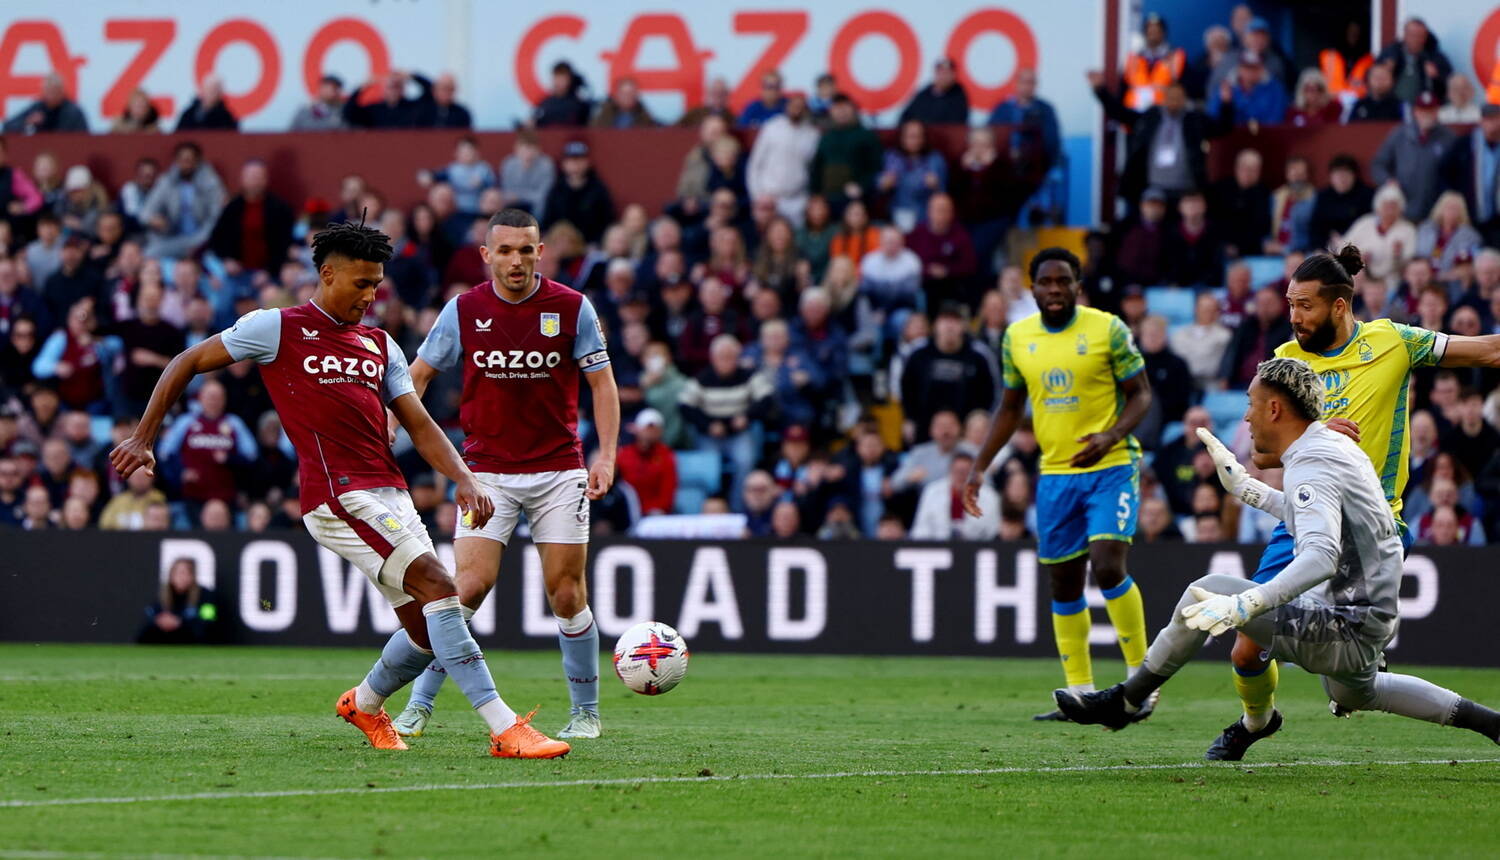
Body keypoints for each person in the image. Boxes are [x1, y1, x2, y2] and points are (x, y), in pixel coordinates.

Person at [109, 220, 568, 759]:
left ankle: (365, 704)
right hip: (336, 495)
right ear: (327, 274)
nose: (370, 296)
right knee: (442, 586)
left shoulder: (380, 344)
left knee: (426, 629)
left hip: (389, 492)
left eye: (377, 285)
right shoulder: (276, 327)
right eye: (360, 283)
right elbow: (187, 361)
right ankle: (504, 728)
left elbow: (419, 425)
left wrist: (463, 477)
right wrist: (144, 436)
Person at [1057, 358, 1500, 761]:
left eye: (1251, 404)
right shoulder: (1330, 447)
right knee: (1360, 691)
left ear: (1274, 410)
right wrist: (1251, 491)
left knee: (1205, 592)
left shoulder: (1310, 463)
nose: (1246, 416)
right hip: (1369, 618)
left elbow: (1322, 555)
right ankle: (1492, 723)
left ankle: (1128, 700)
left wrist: (1245, 605)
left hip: (1344, 623)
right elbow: (1329, 521)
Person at [1204, 245, 1500, 760]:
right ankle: (1256, 721)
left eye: (1305, 306)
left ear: (1340, 306)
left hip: (1370, 528)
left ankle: (1367, 663)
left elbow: (1488, 351)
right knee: (1246, 644)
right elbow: (1264, 455)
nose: (1294, 316)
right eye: (1290, 304)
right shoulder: (1283, 363)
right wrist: (1313, 434)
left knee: (1348, 687)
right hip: (1302, 515)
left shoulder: (1393, 342)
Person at [390, 208, 619, 741]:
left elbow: (602, 385)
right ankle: (419, 705)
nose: (516, 260)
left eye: (526, 250)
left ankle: (585, 712)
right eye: (506, 250)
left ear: (541, 253)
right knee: (462, 590)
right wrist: (388, 427)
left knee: (566, 594)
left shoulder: (571, 307)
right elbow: (417, 376)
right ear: (486, 255)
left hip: (559, 469)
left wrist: (605, 455)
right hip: (485, 473)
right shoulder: (464, 309)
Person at [964, 248, 1154, 720]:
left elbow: (1142, 394)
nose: (1054, 290)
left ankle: (1144, 682)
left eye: (1063, 281)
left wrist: (1111, 434)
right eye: (1045, 282)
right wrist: (979, 465)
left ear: (1077, 285)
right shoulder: (1017, 337)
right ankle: (1080, 694)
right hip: (1055, 475)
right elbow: (1010, 409)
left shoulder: (1107, 329)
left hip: (1111, 465)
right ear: (1031, 288)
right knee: (1064, 583)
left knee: (1107, 565)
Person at [1088, 73, 1232, 207]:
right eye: (1170, 97)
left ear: (1184, 99)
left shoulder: (1195, 121)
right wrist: (1101, 91)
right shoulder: (1151, 117)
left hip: (1187, 192)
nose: (1174, 101)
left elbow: (1222, 129)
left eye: (1178, 97)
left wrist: (1226, 103)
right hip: (1152, 191)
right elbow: (1121, 114)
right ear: (1163, 98)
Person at [1373, 92, 1454, 223]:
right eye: (1423, 110)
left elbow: (1456, 172)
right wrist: (1388, 181)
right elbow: (1378, 164)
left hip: (1436, 212)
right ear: (1415, 112)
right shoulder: (1399, 134)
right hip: (1403, 210)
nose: (1427, 115)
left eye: (1431, 110)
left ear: (1437, 112)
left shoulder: (1448, 137)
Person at [207, 160, 295, 278]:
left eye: (258, 177)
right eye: (251, 177)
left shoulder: (279, 209)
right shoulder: (232, 208)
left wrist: (269, 271)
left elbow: (285, 245)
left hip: (269, 274)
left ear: (265, 180)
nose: (255, 182)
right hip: (236, 272)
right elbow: (217, 239)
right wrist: (227, 260)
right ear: (243, 180)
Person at [138, 141, 226, 259]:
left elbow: (217, 217)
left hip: (203, 239)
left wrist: (200, 240)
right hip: (172, 238)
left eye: (189, 160)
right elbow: (145, 212)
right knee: (148, 254)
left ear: (198, 161)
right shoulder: (167, 181)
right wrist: (153, 219)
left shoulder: (211, 182)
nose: (185, 164)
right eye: (181, 160)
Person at [746, 94, 819, 224]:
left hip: (797, 199)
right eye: (794, 106)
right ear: (787, 107)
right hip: (769, 198)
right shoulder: (772, 127)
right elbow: (755, 164)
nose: (797, 110)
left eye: (800, 107)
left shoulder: (812, 135)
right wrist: (757, 195)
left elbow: (812, 168)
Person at [1438, 105, 1500, 249]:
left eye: (1497, 119)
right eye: (1489, 119)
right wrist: (1453, 201)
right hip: (1468, 216)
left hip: (1497, 219)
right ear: (1481, 121)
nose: (1493, 124)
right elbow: (1444, 173)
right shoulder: (1465, 144)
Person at [809, 94, 882, 207]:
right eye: (837, 108)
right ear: (831, 111)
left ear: (853, 110)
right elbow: (817, 167)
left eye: (845, 108)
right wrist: (815, 194)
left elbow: (876, 168)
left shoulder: (867, 136)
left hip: (856, 202)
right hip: (827, 201)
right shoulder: (826, 137)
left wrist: (862, 186)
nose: (841, 112)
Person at [1344, 184, 1417, 291]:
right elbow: (1344, 246)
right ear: (1378, 207)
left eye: (1393, 206)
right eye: (1386, 206)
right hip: (1362, 276)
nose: (1389, 210)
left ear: (1400, 209)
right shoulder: (1365, 223)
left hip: (1392, 280)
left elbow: (1410, 260)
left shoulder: (1408, 229)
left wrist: (1398, 255)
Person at [911, 451, 999, 540]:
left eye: (965, 472)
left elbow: (993, 531)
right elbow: (921, 529)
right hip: (937, 548)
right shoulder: (932, 492)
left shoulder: (989, 496)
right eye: (957, 471)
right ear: (950, 471)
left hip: (975, 547)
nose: (961, 476)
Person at [879, 120, 947, 233]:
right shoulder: (891, 157)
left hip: (926, 217)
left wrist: (936, 186)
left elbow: (944, 193)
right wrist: (884, 183)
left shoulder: (935, 159)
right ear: (902, 138)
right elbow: (877, 187)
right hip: (897, 214)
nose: (914, 141)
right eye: (910, 136)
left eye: (918, 136)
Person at [987, 67, 1061, 170]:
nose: (1027, 86)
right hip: (1004, 162)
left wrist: (1025, 153)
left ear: (1036, 85)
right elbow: (990, 135)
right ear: (1015, 83)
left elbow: (1051, 141)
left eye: (1031, 82)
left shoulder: (1045, 110)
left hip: (1034, 164)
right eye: (1023, 81)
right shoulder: (1002, 109)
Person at [542, 141, 615, 244]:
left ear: (587, 163)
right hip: (560, 245)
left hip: (590, 246)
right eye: (571, 161)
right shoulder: (556, 190)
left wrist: (597, 243)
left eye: (579, 160)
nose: (575, 165)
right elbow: (547, 221)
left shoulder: (598, 190)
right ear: (564, 164)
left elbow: (607, 221)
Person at [1209, 148, 1271, 260]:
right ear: (1236, 168)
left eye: (1253, 170)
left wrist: (1241, 248)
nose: (1248, 173)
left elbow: (1262, 227)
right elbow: (1212, 223)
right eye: (1245, 168)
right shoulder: (1219, 189)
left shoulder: (1264, 193)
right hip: (1220, 248)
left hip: (1252, 250)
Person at [1376, 17, 1453, 103]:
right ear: (1404, 35)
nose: (1415, 39)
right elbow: (1371, 79)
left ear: (1425, 37)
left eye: (1420, 36)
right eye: (1412, 35)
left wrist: (1436, 76)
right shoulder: (1391, 53)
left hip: (1425, 108)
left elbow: (1450, 83)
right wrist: (1385, 72)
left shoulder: (1435, 58)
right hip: (1393, 108)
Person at [617, 408, 676, 516]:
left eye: (654, 429)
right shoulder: (624, 454)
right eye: (647, 428)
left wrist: (651, 509)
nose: (650, 433)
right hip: (625, 511)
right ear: (637, 429)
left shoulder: (666, 455)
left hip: (654, 511)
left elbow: (667, 490)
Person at [1307, 154, 1373, 250]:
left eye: (1346, 174)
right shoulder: (1323, 196)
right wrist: (1320, 247)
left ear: (1354, 176)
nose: (1342, 179)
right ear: (1331, 177)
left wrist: (1346, 241)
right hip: (1327, 247)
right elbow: (1315, 227)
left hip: (1358, 247)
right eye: (1338, 175)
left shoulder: (1367, 195)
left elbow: (1368, 226)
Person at [1171, 292, 1232, 390]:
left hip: (1210, 382)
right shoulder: (1179, 334)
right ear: (1196, 309)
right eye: (1203, 308)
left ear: (1217, 311)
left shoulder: (1224, 335)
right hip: (1182, 381)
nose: (1207, 311)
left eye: (1210, 309)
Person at [1207, 52, 1286, 126]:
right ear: (1239, 69)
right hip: (1233, 136)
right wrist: (1226, 103)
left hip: (1266, 136)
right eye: (1246, 68)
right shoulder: (1225, 87)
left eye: (1254, 68)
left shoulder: (1275, 88)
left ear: (1262, 68)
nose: (1250, 72)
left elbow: (1276, 118)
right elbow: (1213, 117)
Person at [343, 69, 433, 129]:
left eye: (397, 86)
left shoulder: (412, 107)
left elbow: (431, 93)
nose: (394, 91)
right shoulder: (374, 110)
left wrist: (411, 75)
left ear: (403, 89)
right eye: (391, 87)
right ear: (384, 89)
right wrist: (363, 87)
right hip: (380, 152)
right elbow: (349, 113)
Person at [3, 73, 88, 133]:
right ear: (43, 91)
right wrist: (27, 122)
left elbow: (83, 138)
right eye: (48, 91)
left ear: (62, 91)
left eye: (55, 91)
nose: (51, 95)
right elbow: (8, 126)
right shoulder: (37, 108)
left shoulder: (74, 112)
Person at [1267, 155, 1315, 254]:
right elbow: (1264, 227)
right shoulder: (1276, 197)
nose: (1297, 178)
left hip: (1302, 255)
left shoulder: (1314, 199)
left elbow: (1313, 236)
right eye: (1294, 173)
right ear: (1287, 175)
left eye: (1301, 174)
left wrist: (1285, 249)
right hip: (1273, 255)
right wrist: (1267, 244)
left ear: (1307, 175)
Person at [900, 57, 969, 126]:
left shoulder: (959, 96)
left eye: (947, 73)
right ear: (935, 73)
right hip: (923, 135)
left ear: (954, 75)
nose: (943, 76)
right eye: (941, 72)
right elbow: (906, 116)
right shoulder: (924, 94)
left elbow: (956, 122)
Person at [532, 62, 591, 128]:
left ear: (569, 80)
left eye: (562, 78)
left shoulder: (579, 105)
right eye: (557, 77)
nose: (559, 82)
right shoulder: (544, 103)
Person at [591, 77, 656, 128]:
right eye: (624, 94)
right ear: (617, 94)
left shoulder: (644, 116)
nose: (627, 97)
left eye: (631, 93)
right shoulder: (603, 115)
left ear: (636, 94)